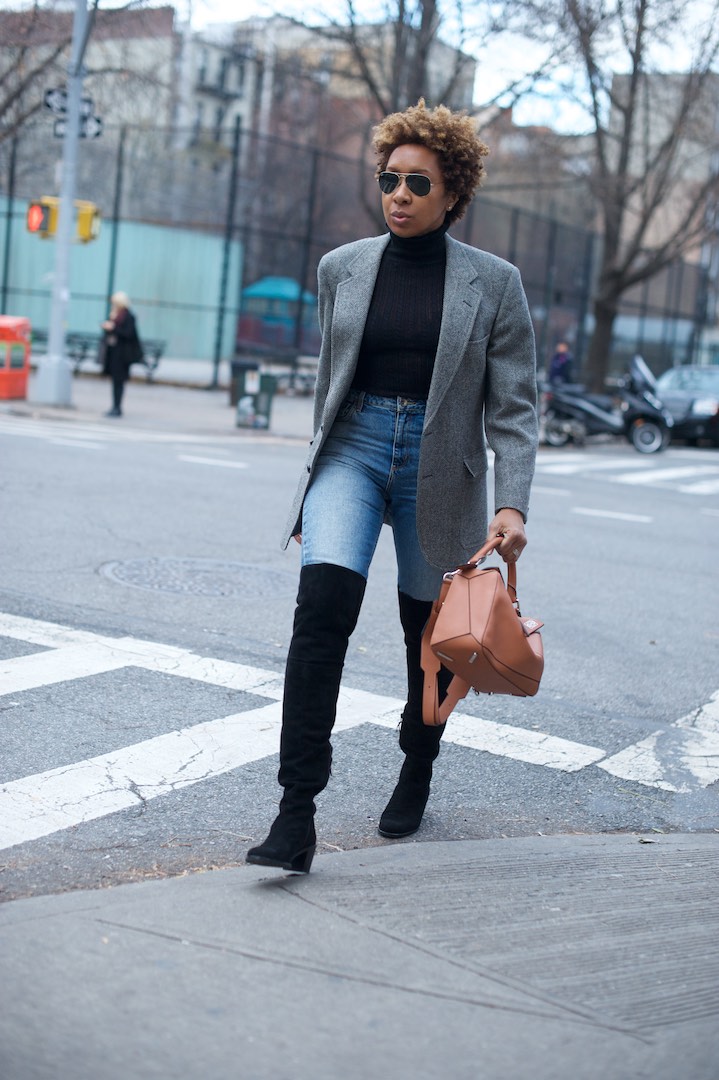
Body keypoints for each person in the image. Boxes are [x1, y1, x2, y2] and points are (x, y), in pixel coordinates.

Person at [247, 100, 539, 874]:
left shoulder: (495, 284)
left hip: (441, 468)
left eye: (417, 183)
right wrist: (314, 487)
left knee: (428, 642)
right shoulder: (340, 267)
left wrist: (510, 503)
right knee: (320, 617)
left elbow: (513, 408)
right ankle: (295, 813)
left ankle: (418, 763)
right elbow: (329, 382)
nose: (399, 195)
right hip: (353, 449)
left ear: (453, 196)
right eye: (389, 179)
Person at [100, 291, 143, 417]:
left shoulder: (128, 316)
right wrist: (107, 328)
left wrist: (113, 328)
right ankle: (114, 406)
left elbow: (129, 334)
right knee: (114, 381)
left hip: (123, 355)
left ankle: (117, 407)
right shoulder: (114, 314)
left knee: (119, 382)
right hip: (113, 352)